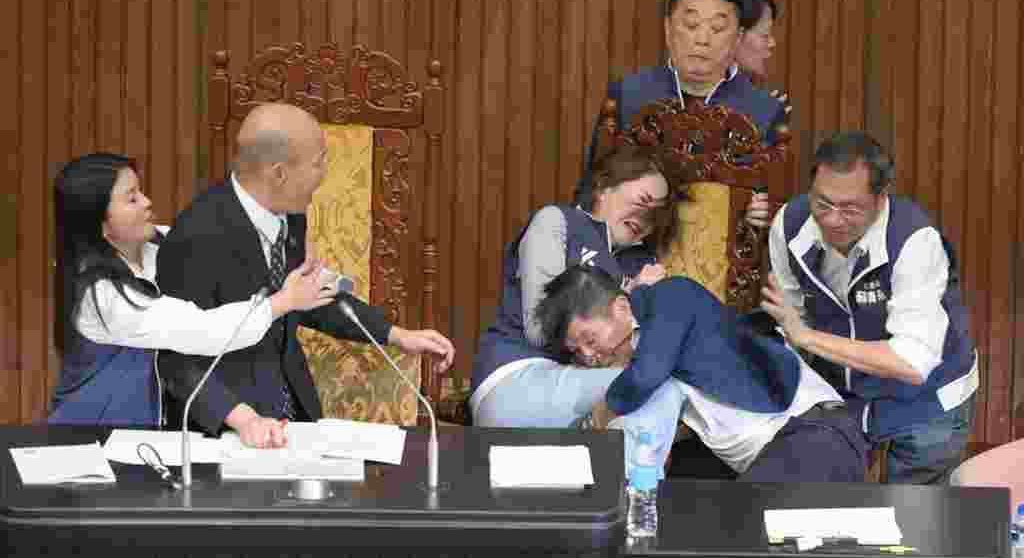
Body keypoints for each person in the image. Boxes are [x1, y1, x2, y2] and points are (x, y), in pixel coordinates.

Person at [156, 103, 455, 448]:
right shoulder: (197, 235)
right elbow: (175, 359)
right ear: (279, 173)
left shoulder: (289, 214)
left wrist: (396, 334)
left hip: (295, 415)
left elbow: (310, 297)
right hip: (223, 430)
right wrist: (244, 419)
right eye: (319, 162)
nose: (325, 172)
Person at [49, 152, 338, 427]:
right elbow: (201, 330)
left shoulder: (165, 244)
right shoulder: (101, 295)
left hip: (147, 435)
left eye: (141, 191)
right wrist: (283, 301)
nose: (147, 202)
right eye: (132, 199)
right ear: (101, 225)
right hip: (94, 435)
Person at [761, 131, 978, 484]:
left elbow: (912, 362)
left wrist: (806, 336)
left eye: (850, 208)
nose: (832, 219)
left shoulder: (914, 241)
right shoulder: (789, 225)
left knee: (914, 522)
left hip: (928, 401)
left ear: (881, 199)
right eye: (822, 203)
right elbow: (790, 315)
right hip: (848, 397)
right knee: (832, 513)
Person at [535, 264, 869, 483]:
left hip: (814, 433)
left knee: (742, 543)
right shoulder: (640, 352)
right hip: (769, 454)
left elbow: (644, 376)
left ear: (622, 307)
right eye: (578, 352)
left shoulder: (671, 297)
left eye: (589, 340)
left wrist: (598, 415)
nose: (590, 356)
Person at [470, 144, 687, 473]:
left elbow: (646, 352)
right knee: (655, 389)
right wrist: (628, 296)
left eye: (657, 214)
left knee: (657, 388)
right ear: (603, 185)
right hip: (516, 381)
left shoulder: (641, 262)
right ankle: (637, 505)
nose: (647, 218)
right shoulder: (558, 221)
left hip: (578, 391)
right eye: (643, 201)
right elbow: (538, 327)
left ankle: (618, 487)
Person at [574, 0, 786, 229]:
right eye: (691, 25)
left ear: (738, 38)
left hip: (724, 260)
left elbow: (779, 208)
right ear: (667, 28)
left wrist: (766, 212)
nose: (702, 39)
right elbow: (591, 189)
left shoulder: (765, 111)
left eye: (717, 28)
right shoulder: (629, 94)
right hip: (631, 256)